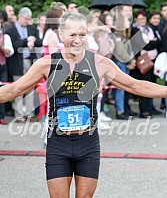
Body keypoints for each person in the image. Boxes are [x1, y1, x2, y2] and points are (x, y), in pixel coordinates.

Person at [0, 12, 167, 197]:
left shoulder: (100, 63)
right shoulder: (46, 64)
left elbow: (135, 85)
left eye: (82, 35)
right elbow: (14, 90)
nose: (78, 40)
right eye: (72, 35)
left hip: (87, 143)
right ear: (61, 34)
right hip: (58, 144)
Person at [5, 7, 42, 122]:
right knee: (18, 88)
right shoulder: (11, 30)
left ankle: (30, 114)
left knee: (30, 88)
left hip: (30, 61)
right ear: (20, 17)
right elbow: (14, 46)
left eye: (29, 19)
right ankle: (19, 115)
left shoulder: (32, 28)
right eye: (26, 19)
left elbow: (40, 42)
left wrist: (34, 41)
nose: (28, 21)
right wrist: (26, 41)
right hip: (17, 63)